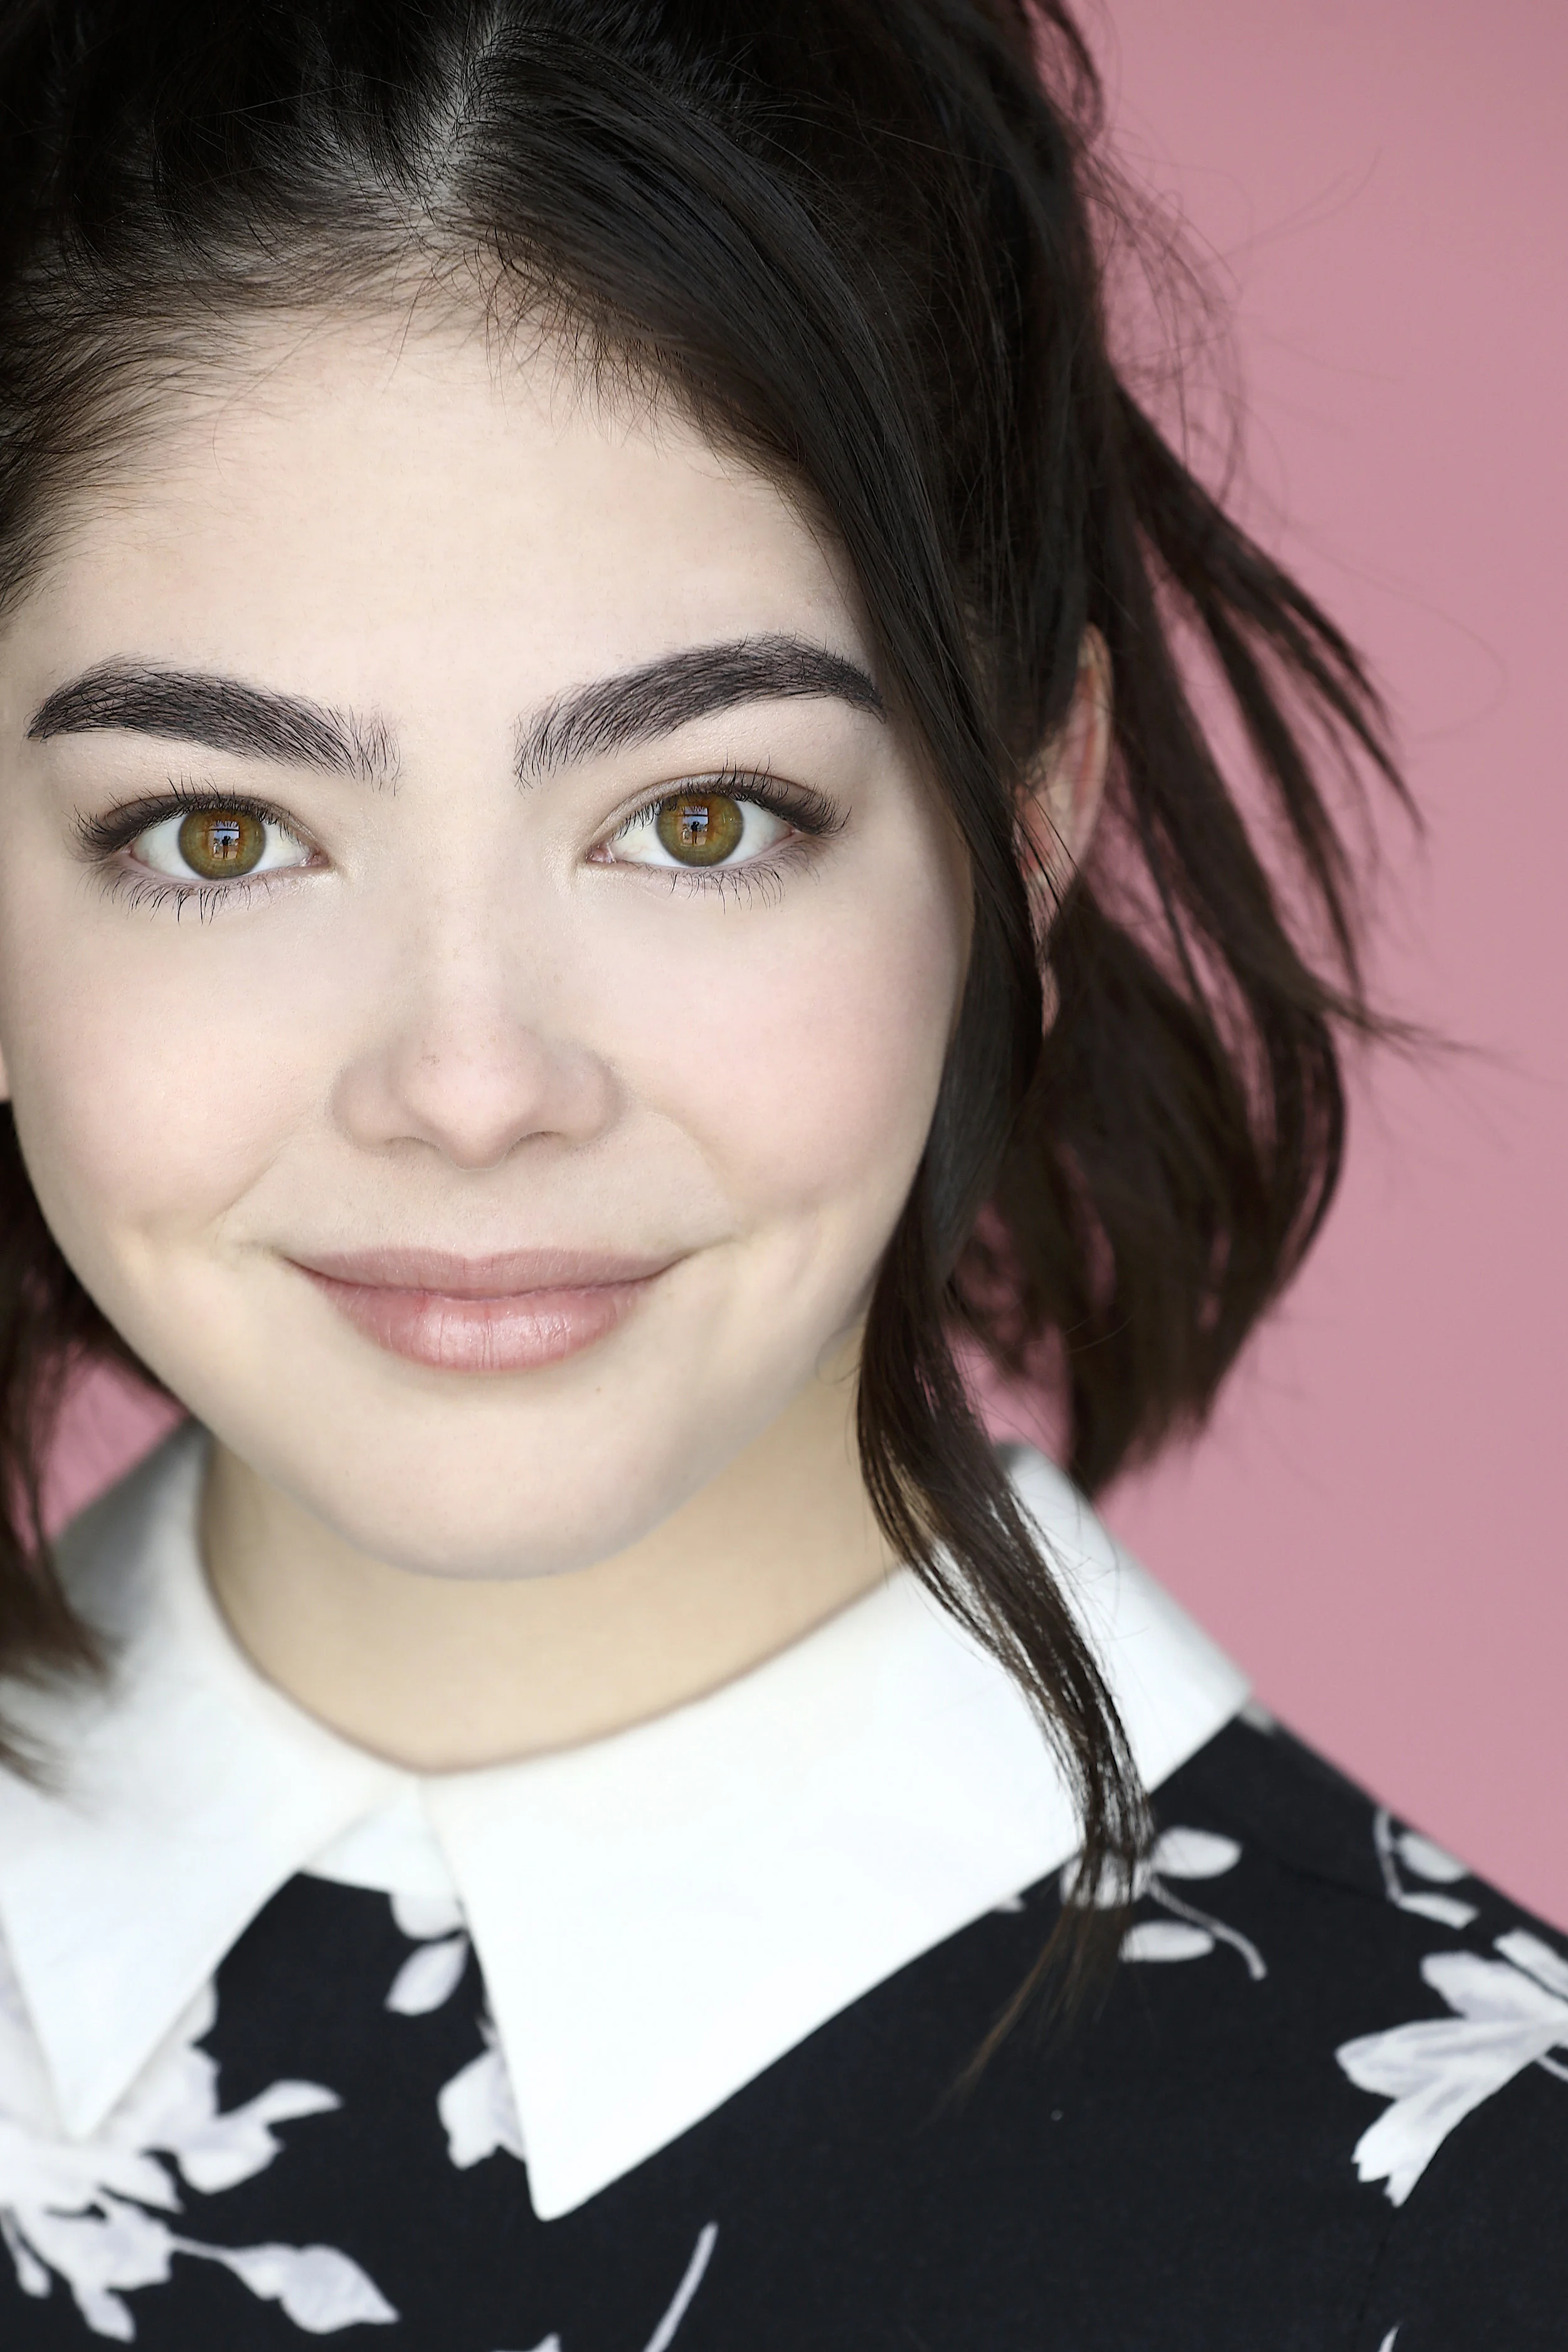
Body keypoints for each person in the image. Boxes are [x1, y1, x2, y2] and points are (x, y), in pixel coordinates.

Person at [0, 0, 1559, 2343]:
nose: (470, 1080)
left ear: (1019, 825)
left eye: (698, 819)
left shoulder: (1465, 2230)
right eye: (220, 835)